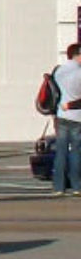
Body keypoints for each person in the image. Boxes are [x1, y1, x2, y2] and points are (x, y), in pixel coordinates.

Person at [52, 42, 81, 195]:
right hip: (77, 116)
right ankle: (76, 186)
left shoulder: (59, 71)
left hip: (61, 115)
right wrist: (71, 105)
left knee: (61, 151)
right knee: (76, 151)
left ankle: (59, 187)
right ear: (78, 55)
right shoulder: (79, 73)